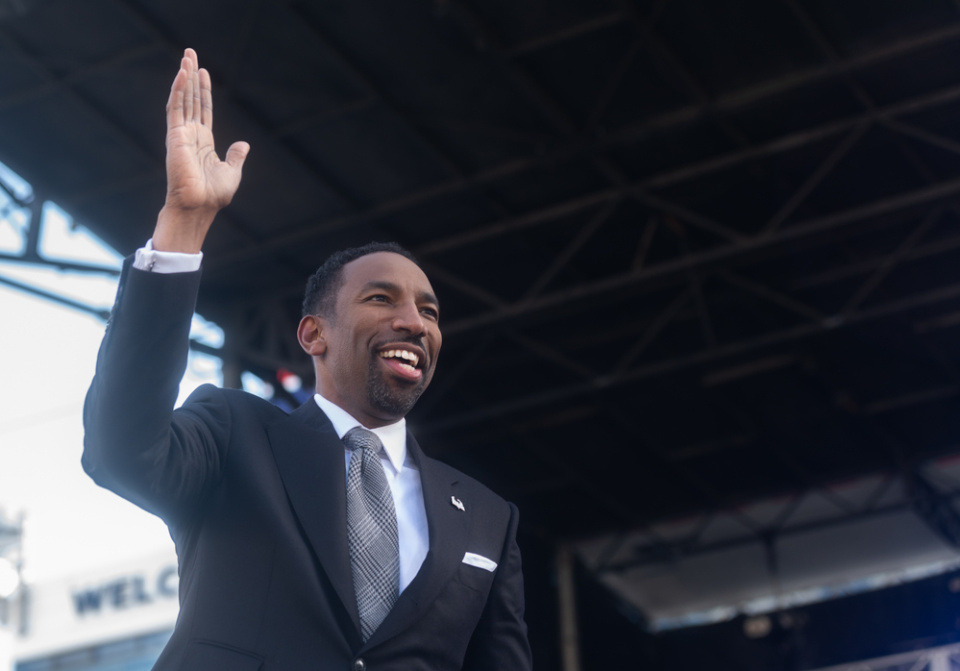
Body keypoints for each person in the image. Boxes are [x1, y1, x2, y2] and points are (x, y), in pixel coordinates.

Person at [82, 48, 532, 670]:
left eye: (429, 312)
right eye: (382, 299)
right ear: (313, 335)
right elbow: (119, 449)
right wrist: (183, 224)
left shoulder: (487, 517)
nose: (413, 321)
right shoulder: (235, 435)